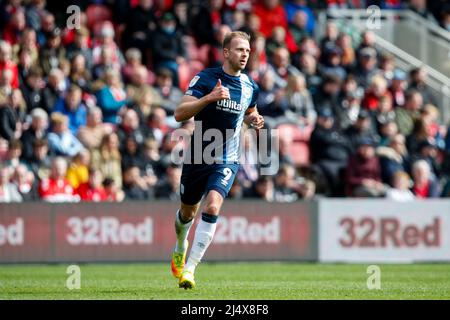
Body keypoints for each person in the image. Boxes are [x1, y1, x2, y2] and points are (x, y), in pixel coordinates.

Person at [170, 31, 264, 289]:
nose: (245, 54)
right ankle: (180, 244)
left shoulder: (250, 86)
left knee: (212, 206)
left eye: (247, 50)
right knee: (187, 213)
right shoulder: (206, 78)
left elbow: (250, 111)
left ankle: (189, 270)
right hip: (198, 154)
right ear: (226, 52)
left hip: (227, 156)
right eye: (239, 50)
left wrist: (254, 119)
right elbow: (179, 113)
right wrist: (209, 97)